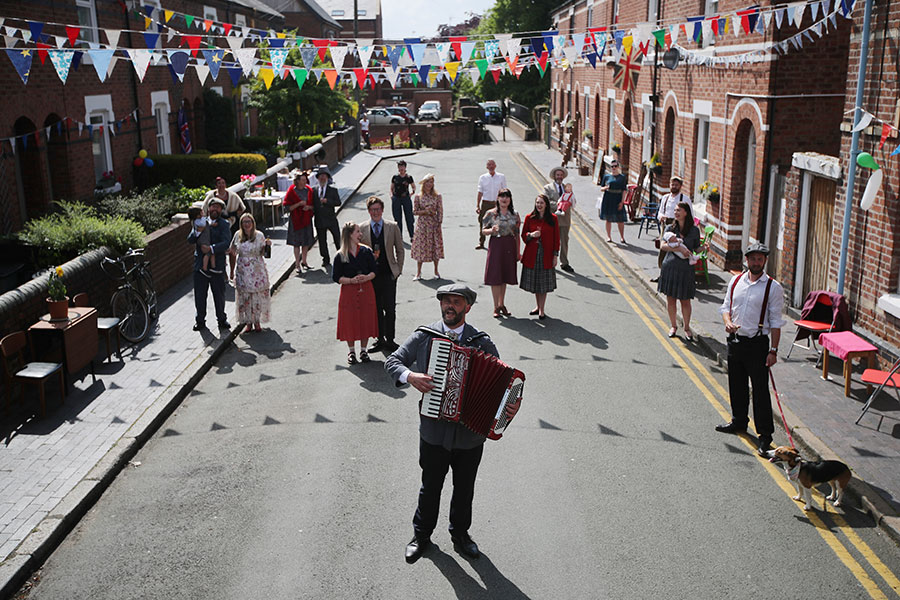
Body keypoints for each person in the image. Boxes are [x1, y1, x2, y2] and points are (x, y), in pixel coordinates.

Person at [384, 284, 499, 564]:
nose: (449, 306)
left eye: (456, 302)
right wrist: (410, 376)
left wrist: (498, 413)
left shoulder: (481, 343)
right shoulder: (425, 336)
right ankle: (421, 535)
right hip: (434, 432)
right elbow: (393, 361)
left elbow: (499, 383)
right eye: (445, 301)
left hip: (469, 435)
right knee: (430, 485)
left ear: (467, 307)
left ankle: (460, 535)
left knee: (464, 488)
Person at [715, 243, 785, 456]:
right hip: (736, 341)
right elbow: (726, 307)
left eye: (760, 259)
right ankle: (738, 421)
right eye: (753, 258)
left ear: (765, 261)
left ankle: (765, 436)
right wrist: (727, 322)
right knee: (736, 385)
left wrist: (773, 350)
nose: (756, 262)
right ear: (746, 260)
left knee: (760, 392)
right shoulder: (736, 281)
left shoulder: (773, 287)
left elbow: (775, 321)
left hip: (758, 345)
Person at [360, 196, 405, 353]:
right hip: (371, 276)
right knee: (376, 309)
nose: (375, 212)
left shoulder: (392, 226)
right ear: (369, 211)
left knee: (390, 309)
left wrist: (398, 270)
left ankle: (390, 339)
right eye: (372, 210)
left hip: (389, 274)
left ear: (382, 210)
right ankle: (379, 339)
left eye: (378, 209)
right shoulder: (362, 228)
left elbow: (400, 249)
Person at [332, 222, 379, 365]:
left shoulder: (366, 251)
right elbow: (336, 277)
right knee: (349, 320)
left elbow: (374, 271)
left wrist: (367, 277)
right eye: (357, 232)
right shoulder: (340, 255)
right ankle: (351, 351)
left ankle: (363, 350)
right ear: (349, 235)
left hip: (366, 289)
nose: (360, 234)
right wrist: (351, 280)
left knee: (365, 318)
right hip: (349, 290)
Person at [657, 202, 701, 340]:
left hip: (686, 270)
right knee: (671, 300)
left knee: (685, 301)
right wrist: (678, 249)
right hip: (670, 267)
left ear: (686, 213)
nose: (676, 212)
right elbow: (663, 246)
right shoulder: (670, 228)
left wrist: (704, 248)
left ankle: (687, 328)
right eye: (675, 210)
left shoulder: (694, 230)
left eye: (679, 210)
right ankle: (673, 326)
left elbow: (696, 248)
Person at [188, 197, 231, 331]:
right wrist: (197, 232)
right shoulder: (200, 222)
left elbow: (226, 242)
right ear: (208, 208)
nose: (215, 209)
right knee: (200, 296)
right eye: (213, 206)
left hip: (217, 266)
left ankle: (222, 320)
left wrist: (211, 248)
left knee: (219, 295)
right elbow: (190, 240)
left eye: (218, 207)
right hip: (200, 266)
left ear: (221, 210)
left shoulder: (224, 224)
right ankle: (200, 321)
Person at [229, 213, 271, 332]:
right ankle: (248, 322)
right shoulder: (238, 235)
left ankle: (256, 321)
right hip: (243, 269)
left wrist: (267, 246)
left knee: (256, 296)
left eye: (249, 221)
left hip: (256, 269)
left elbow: (265, 253)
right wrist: (231, 271)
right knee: (245, 296)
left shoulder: (259, 235)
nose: (247, 224)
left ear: (253, 223)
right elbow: (232, 250)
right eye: (244, 222)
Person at [482, 188, 520, 318]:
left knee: (504, 276)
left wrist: (518, 252)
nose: (504, 199)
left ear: (510, 199)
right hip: (496, 245)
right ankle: (495, 306)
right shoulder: (491, 214)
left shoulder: (515, 214)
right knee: (495, 277)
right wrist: (491, 230)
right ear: (498, 198)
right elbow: (483, 231)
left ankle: (502, 304)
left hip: (509, 245)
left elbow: (517, 233)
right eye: (502, 197)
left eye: (507, 197)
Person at [520, 194, 560, 319]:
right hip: (532, 255)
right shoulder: (529, 217)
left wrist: (555, 256)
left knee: (543, 285)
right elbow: (523, 235)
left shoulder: (553, 219)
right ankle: (538, 306)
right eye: (537, 203)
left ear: (546, 204)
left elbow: (556, 239)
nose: (539, 205)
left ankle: (542, 309)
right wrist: (531, 235)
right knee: (536, 284)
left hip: (546, 256)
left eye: (541, 203)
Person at [653, 176, 692, 277]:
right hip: (666, 225)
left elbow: (690, 214)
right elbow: (660, 212)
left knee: (678, 248)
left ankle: (676, 275)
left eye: (676, 185)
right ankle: (662, 274)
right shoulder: (665, 198)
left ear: (680, 186)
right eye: (672, 184)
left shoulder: (685, 199)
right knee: (663, 249)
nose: (674, 186)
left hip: (680, 225)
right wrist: (661, 217)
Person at [410, 174, 444, 280]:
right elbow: (414, 212)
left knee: (435, 247)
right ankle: (418, 272)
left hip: (433, 224)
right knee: (421, 247)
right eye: (428, 182)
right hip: (423, 225)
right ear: (424, 183)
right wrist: (425, 211)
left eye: (432, 182)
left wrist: (439, 222)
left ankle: (436, 271)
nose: (430, 184)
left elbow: (440, 210)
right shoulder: (418, 197)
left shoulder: (437, 196)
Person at [542, 166, 574, 272]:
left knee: (564, 241)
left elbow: (572, 201)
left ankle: (564, 263)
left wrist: (569, 202)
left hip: (565, 219)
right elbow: (545, 201)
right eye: (558, 175)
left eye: (561, 175)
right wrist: (558, 205)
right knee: (551, 241)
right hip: (552, 218)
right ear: (554, 176)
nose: (559, 177)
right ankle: (550, 261)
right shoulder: (548, 188)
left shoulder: (567, 188)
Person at [283, 170, 315, 273]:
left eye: (306, 180)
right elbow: (287, 208)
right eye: (303, 180)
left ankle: (304, 261)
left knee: (306, 242)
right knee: (296, 243)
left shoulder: (309, 190)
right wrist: (299, 204)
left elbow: (315, 206)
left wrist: (309, 207)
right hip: (295, 221)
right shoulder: (291, 191)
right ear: (297, 181)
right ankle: (297, 264)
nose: (305, 181)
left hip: (306, 219)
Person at [475, 159, 507, 249]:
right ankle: (481, 242)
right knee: (482, 222)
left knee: (499, 222)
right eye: (489, 165)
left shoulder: (501, 177)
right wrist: (477, 205)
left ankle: (499, 242)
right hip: (486, 203)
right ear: (487, 167)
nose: (491, 166)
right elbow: (480, 192)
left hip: (497, 203)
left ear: (495, 166)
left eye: (492, 165)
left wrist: (505, 204)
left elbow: (504, 191)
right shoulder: (482, 177)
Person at [313, 167, 342, 268]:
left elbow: (338, 202)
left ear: (327, 178)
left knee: (337, 238)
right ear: (318, 178)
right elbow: (313, 204)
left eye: (324, 176)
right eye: (320, 176)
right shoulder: (314, 190)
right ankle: (325, 259)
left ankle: (341, 257)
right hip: (319, 219)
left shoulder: (333, 190)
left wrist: (327, 201)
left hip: (331, 219)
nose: (322, 178)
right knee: (322, 241)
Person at [597, 161, 627, 243]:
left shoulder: (622, 177)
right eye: (612, 166)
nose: (613, 168)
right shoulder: (606, 176)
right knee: (608, 219)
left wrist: (622, 202)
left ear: (618, 167)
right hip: (608, 198)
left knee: (620, 219)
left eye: (615, 166)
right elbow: (601, 188)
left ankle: (622, 237)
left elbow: (624, 190)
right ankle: (609, 237)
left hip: (617, 198)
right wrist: (606, 188)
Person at [390, 160, 416, 241]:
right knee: (397, 218)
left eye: (402, 167)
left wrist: (411, 193)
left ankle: (412, 235)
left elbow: (413, 187)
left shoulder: (408, 178)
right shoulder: (395, 177)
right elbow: (391, 188)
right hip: (396, 198)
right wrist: (391, 196)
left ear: (405, 167)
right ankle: (399, 236)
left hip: (406, 198)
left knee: (409, 217)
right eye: (399, 167)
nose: (401, 169)